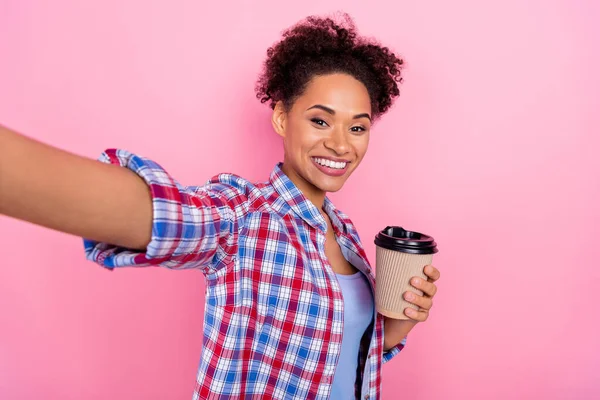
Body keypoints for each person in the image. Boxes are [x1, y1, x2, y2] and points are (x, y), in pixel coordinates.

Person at [0, 13, 441, 400]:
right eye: (320, 120)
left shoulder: (343, 233)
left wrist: (394, 329)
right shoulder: (242, 215)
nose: (341, 144)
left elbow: (332, 356)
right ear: (282, 118)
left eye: (358, 127)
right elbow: (156, 213)